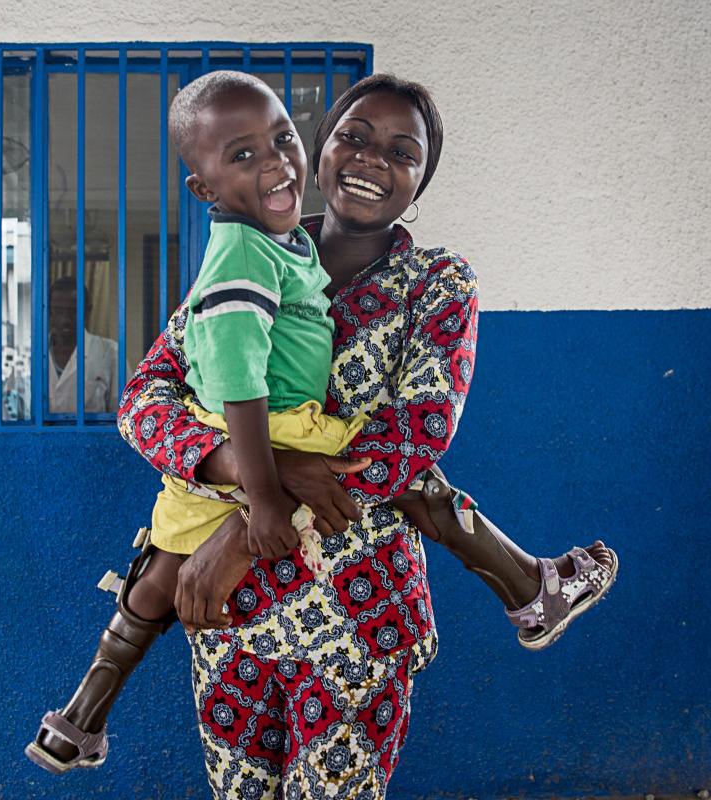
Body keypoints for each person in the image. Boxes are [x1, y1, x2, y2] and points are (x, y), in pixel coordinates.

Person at [39, 74, 617, 797]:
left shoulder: (435, 284)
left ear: (421, 180)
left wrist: (245, 523)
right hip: (230, 624)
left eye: (403, 152)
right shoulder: (250, 252)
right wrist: (250, 468)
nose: (374, 160)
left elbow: (416, 436)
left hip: (355, 621)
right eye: (355, 137)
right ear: (323, 148)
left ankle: (527, 582)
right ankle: (529, 582)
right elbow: (146, 399)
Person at [47, 276, 118, 414]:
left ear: (88, 311)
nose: (65, 320)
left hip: (95, 436)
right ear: (49, 311)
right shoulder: (35, 353)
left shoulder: (109, 352)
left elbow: (124, 413)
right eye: (58, 310)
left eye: (73, 311)